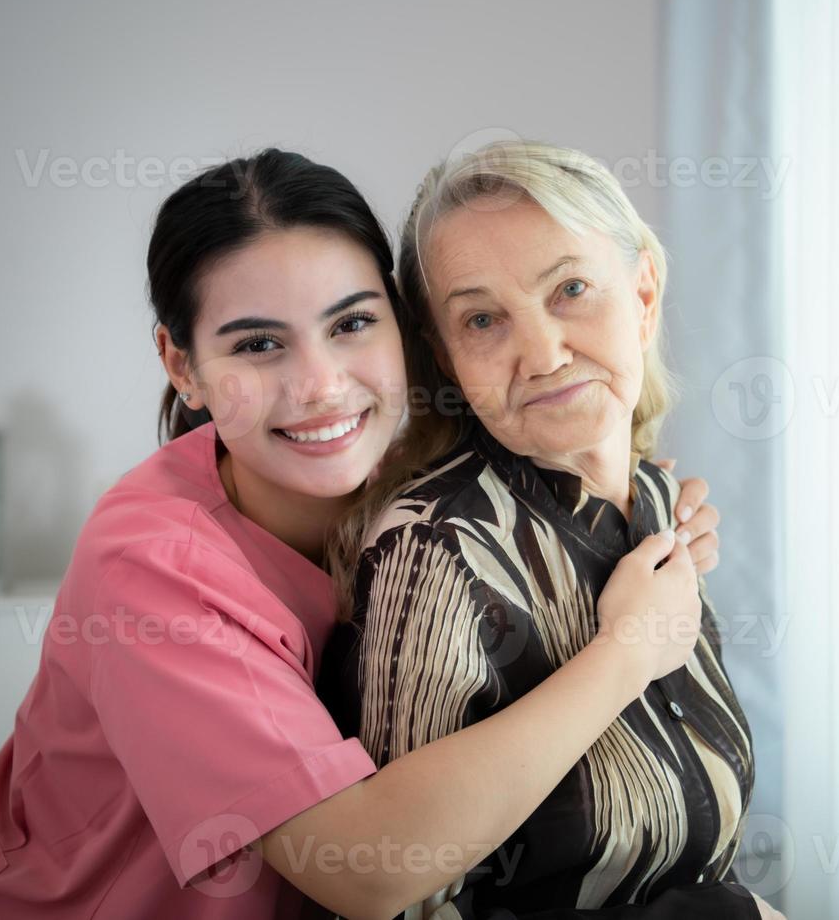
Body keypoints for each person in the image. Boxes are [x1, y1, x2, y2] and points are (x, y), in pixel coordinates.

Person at [0, 149, 743, 920]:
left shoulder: (410, 467)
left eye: (352, 323)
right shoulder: (153, 568)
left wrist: (650, 510)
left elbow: (563, 398)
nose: (321, 387)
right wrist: (630, 650)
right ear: (184, 366)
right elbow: (365, 871)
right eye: (258, 345)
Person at [321, 141, 779, 919]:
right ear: (445, 353)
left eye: (570, 288)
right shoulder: (436, 548)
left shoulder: (658, 509)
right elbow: (411, 903)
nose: (542, 352)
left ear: (643, 292)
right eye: (482, 319)